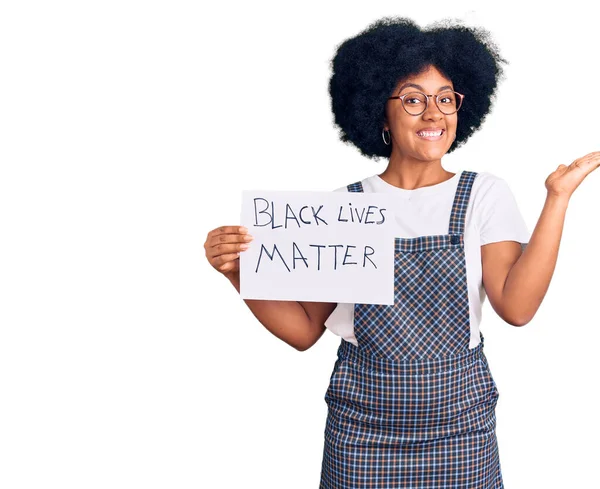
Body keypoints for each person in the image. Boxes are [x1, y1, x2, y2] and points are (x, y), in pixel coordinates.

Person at [204, 16, 600, 489]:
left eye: (445, 98)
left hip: (462, 431)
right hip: (361, 434)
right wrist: (239, 274)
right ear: (380, 112)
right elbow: (304, 330)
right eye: (413, 99)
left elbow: (516, 308)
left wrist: (557, 199)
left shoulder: (483, 195)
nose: (434, 114)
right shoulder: (342, 209)